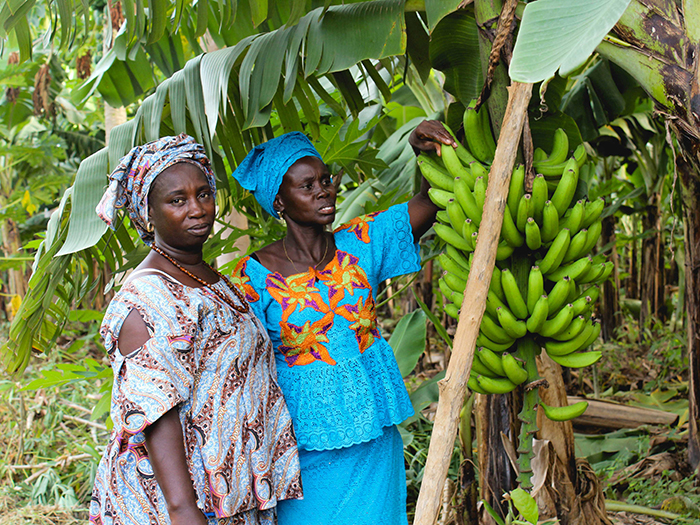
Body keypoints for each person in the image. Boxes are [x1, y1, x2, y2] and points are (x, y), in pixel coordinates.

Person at [229, 121, 455, 524]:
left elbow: (428, 199)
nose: (324, 191)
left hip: (373, 437)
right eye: (307, 186)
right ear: (279, 202)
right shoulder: (253, 277)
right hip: (301, 448)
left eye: (325, 180)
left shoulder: (362, 242)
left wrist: (420, 150)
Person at [89, 134, 302, 525]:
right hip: (181, 505)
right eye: (177, 200)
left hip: (231, 495)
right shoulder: (145, 302)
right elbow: (155, 417)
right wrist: (185, 512)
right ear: (148, 214)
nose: (197, 209)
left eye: (203, 194)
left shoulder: (210, 280)